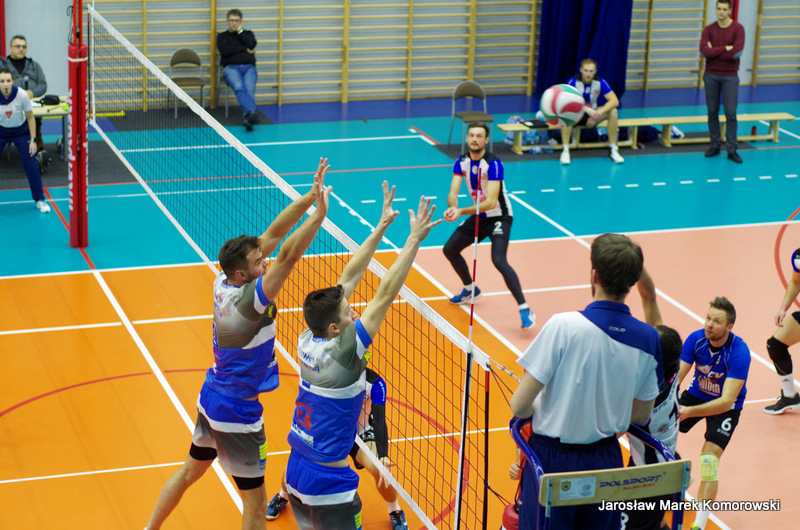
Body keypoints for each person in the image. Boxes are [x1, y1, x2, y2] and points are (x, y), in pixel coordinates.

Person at [144, 158, 332, 530]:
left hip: (212, 394)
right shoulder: (250, 301)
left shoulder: (224, 280)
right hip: (237, 412)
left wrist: (310, 196)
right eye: (261, 263)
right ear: (244, 274)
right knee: (256, 503)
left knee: (188, 472)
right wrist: (319, 216)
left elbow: (275, 234)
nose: (267, 262)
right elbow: (290, 255)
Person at [285, 183, 439, 529]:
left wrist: (381, 226)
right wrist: (414, 239)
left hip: (297, 466)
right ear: (335, 329)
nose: (353, 312)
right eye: (347, 313)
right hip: (328, 481)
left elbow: (350, 275)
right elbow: (385, 293)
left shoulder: (308, 337)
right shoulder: (345, 354)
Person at [509, 233, 661, 530]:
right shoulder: (649, 338)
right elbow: (641, 416)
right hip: (606, 460)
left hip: (552, 462)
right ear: (632, 283)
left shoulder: (563, 326)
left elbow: (520, 405)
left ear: (594, 276)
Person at [266, 368, 409, 530]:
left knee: (381, 470)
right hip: (331, 433)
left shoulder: (375, 384)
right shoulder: (329, 376)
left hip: (360, 435)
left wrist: (383, 455)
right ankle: (283, 496)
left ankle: (395, 510)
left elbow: (380, 421)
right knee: (297, 462)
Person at [442, 121, 535, 330]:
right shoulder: (461, 162)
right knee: (450, 249)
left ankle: (524, 308)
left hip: (499, 217)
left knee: (499, 260)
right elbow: (453, 193)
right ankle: (470, 289)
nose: (474, 139)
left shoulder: (493, 164)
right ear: (467, 138)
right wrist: (452, 207)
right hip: (479, 216)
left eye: (479, 136)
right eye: (471, 135)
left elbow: (491, 202)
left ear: (486, 140)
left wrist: (461, 211)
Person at [677, 296, 750, 530]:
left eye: (716, 321)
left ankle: (698, 525)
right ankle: (677, 473)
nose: (709, 324)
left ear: (729, 326)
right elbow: (675, 379)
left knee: (708, 462)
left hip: (726, 406)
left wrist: (688, 411)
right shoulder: (696, 339)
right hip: (696, 394)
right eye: (708, 318)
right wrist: (666, 407)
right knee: (655, 430)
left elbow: (726, 402)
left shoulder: (739, 352)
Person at [622, 268, 683, 530]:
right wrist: (637, 267)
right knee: (656, 524)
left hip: (649, 479)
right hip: (660, 462)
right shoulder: (672, 366)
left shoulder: (645, 398)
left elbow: (613, 427)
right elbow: (649, 297)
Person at [700, 0, 745, 164]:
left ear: (729, 11)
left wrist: (713, 50)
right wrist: (725, 48)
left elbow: (736, 52)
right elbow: (703, 51)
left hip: (730, 76)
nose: (721, 12)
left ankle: (732, 150)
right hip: (711, 75)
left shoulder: (738, 29)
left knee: (730, 113)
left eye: (724, 9)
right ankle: (715, 145)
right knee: (712, 112)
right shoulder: (708, 29)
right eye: (718, 9)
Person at [0, 68, 50, 213]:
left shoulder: (21, 95)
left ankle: (40, 200)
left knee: (32, 165)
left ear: (13, 82)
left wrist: (33, 140)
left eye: (8, 81)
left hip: (20, 132)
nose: (5, 84)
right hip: (1, 131)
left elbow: (30, 117)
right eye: (2, 81)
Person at [559, 58, 624, 166]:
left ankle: (613, 149)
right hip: (577, 115)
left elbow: (614, 101)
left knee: (613, 112)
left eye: (591, 71)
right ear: (581, 70)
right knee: (566, 113)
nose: (588, 74)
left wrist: (599, 112)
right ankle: (565, 150)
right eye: (586, 71)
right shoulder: (573, 81)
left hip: (594, 115)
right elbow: (567, 100)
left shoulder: (600, 82)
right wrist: (587, 109)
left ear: (595, 71)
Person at [763, 247, 800, 414]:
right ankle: (790, 395)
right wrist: (783, 308)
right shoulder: (798, 256)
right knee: (776, 345)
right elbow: (796, 282)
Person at [1, 35, 48, 160]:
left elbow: (43, 85)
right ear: (10, 48)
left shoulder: (35, 65)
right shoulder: (2, 66)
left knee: (34, 118)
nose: (21, 49)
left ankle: (38, 150)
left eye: (24, 47)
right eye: (18, 46)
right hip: (7, 105)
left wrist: (32, 93)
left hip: (31, 105)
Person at [217, 8, 260, 131]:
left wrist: (240, 33)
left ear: (241, 21)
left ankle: (248, 118)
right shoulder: (222, 37)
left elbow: (251, 44)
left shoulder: (248, 34)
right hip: (231, 68)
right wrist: (243, 49)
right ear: (227, 21)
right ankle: (251, 113)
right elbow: (225, 51)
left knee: (249, 89)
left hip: (249, 67)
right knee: (239, 86)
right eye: (231, 20)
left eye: (236, 21)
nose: (234, 23)